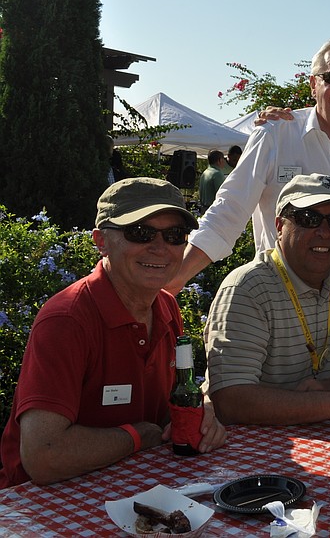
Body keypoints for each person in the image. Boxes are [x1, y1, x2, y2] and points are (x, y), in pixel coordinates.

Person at [165, 38, 330, 360]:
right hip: (282, 292)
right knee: (279, 386)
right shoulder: (275, 135)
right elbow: (229, 211)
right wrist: (173, 282)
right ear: (313, 84)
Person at [0, 178, 227, 488]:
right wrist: (137, 436)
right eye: (140, 232)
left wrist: (200, 414)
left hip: (132, 484)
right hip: (40, 501)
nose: (160, 247)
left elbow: (165, 409)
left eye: (175, 235)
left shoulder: (166, 308)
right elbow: (43, 455)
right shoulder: (66, 321)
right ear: (101, 241)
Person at [204, 173, 330, 425]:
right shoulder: (247, 288)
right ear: (279, 226)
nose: (324, 232)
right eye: (309, 219)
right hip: (259, 439)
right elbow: (230, 401)